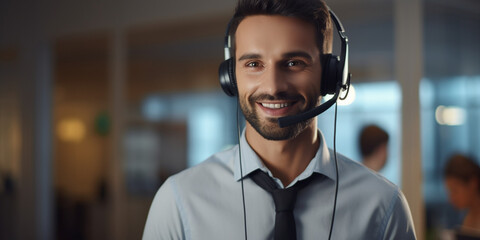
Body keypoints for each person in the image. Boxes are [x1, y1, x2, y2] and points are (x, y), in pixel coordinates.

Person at [143, 0, 416, 239]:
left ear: (331, 75)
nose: (273, 86)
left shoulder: (383, 206)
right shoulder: (179, 202)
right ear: (231, 76)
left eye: (294, 62)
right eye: (253, 64)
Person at [444, 154, 480, 231]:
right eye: (449, 192)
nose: (451, 198)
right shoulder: (468, 216)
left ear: (473, 183)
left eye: (455, 190)